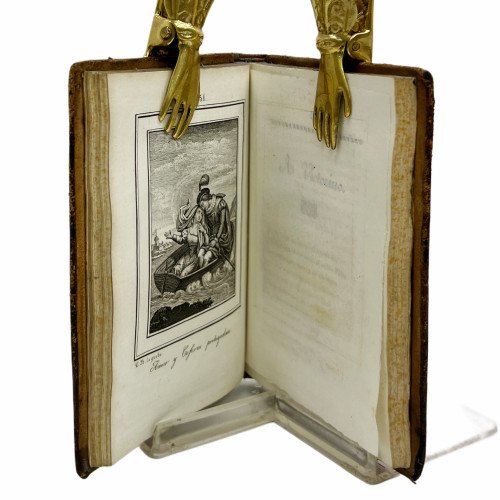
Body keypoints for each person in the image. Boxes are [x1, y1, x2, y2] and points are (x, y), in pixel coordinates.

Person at [197, 175, 233, 267]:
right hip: (211, 237)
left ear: (207, 199)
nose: (202, 208)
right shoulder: (206, 210)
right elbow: (208, 227)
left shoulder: (220, 203)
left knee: (206, 257)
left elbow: (222, 224)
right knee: (200, 254)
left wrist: (216, 239)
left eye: (202, 204)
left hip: (222, 237)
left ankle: (205, 270)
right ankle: (201, 270)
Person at [165, 203, 210, 277]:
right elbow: (181, 240)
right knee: (176, 269)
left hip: (196, 258)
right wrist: (172, 236)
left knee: (184, 274)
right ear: (193, 214)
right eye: (198, 212)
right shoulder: (187, 230)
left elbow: (207, 243)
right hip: (187, 256)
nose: (200, 215)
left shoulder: (202, 229)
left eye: (202, 214)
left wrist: (204, 232)